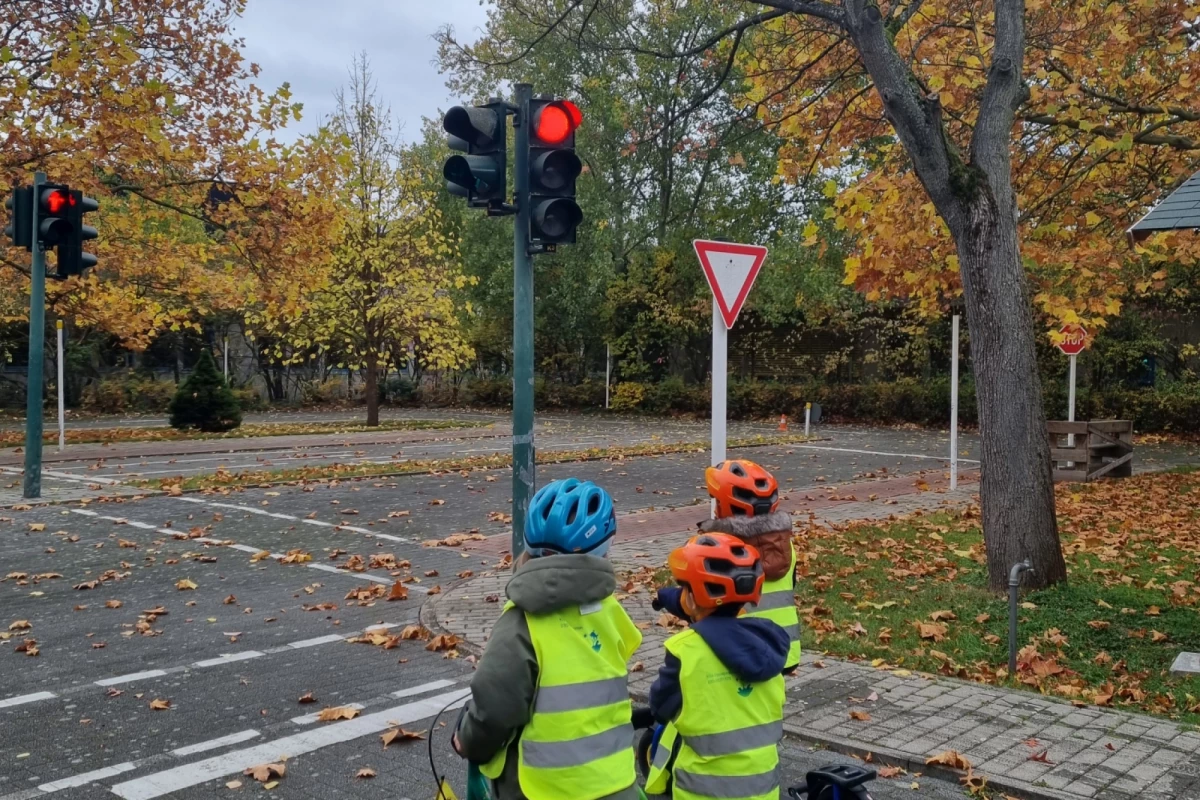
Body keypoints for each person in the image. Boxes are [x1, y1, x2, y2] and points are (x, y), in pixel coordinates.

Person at [453, 478, 643, 800]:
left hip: (544, 788)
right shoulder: (612, 612)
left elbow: (495, 708)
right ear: (605, 549)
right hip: (616, 783)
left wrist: (468, 742)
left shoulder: (520, 622)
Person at [645, 533, 789, 800]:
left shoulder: (685, 651)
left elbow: (661, 707)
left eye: (684, 589)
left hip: (702, 792)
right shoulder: (766, 643)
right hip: (763, 790)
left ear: (692, 598)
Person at [701, 459, 801, 672]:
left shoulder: (719, 550)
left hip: (742, 651)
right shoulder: (786, 546)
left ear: (724, 504)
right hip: (785, 647)